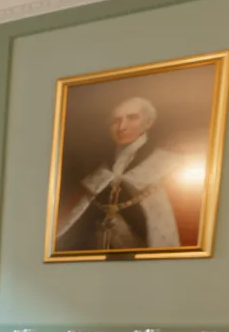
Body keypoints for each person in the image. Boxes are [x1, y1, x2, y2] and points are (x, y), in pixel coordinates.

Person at [55, 96, 181, 252]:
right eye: (115, 121)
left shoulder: (167, 165)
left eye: (132, 118)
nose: (122, 127)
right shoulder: (99, 171)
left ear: (148, 123)